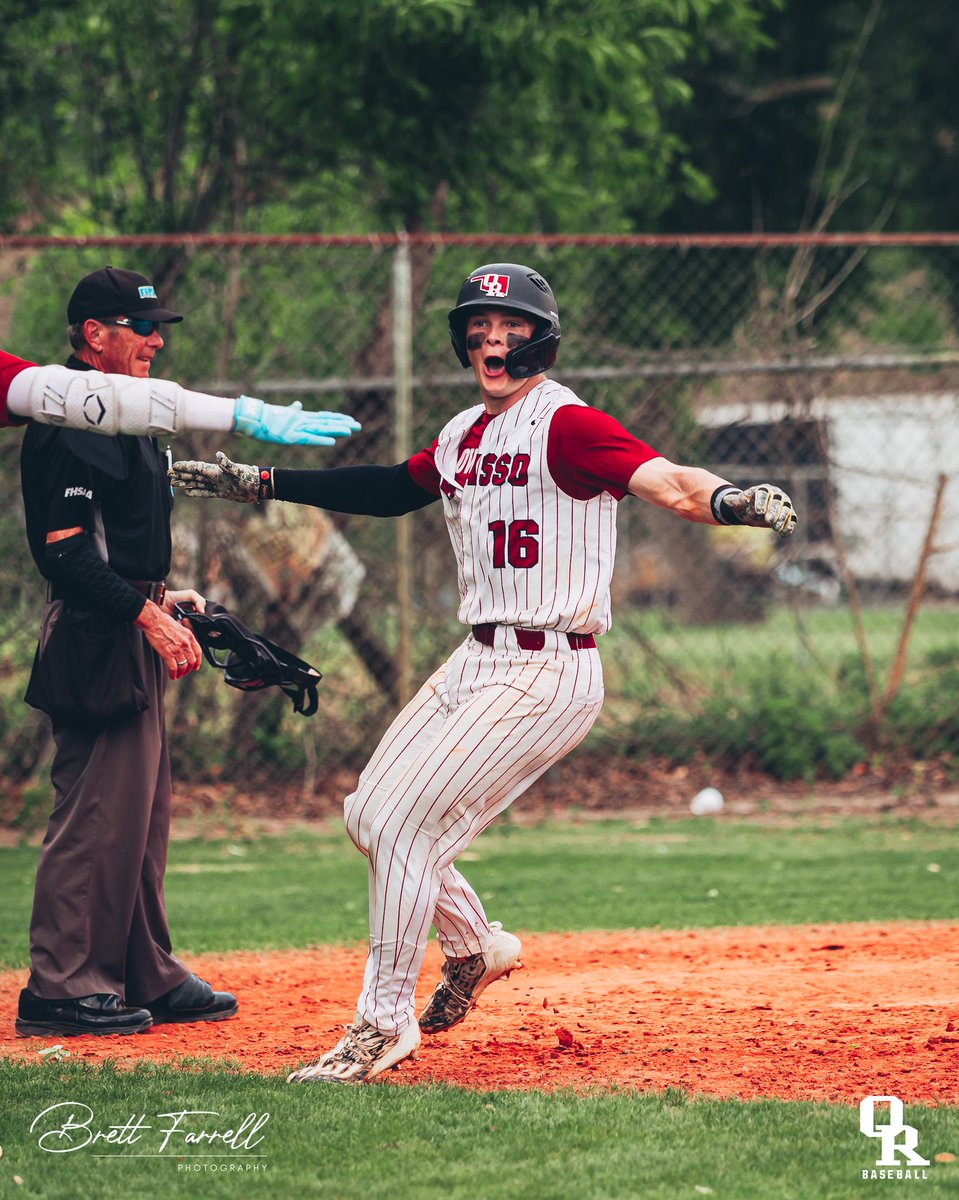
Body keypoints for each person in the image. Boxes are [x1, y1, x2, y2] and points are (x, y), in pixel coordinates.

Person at [170, 262, 798, 1083]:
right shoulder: (465, 432)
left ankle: (381, 1025)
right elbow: (392, 489)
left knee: (404, 826)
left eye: (509, 329)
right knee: (367, 815)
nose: (491, 341)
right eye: (478, 329)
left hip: (549, 667)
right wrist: (263, 483)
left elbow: (669, 482)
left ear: (541, 340)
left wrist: (729, 501)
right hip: (479, 656)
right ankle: (473, 945)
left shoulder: (568, 426)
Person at [16, 268, 242, 1038]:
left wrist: (164, 599)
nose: (155, 341)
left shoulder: (127, 416)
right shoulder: (69, 417)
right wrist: (143, 613)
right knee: (94, 813)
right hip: (96, 635)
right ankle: (61, 986)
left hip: (129, 620)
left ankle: (145, 969)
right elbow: (65, 552)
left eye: (157, 328)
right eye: (140, 327)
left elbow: (120, 543)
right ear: (94, 335)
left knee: (140, 816)